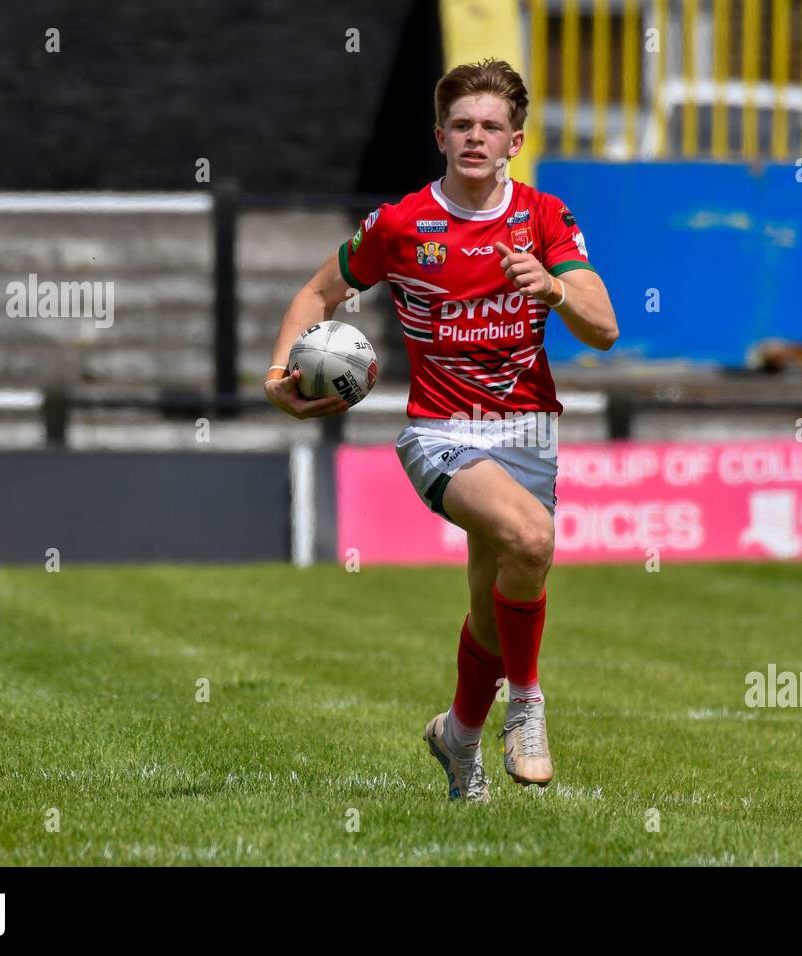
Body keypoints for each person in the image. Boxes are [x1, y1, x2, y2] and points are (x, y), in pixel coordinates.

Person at [264, 58, 618, 802]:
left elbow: (605, 326)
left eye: (491, 126)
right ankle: (526, 705)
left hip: (528, 434)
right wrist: (277, 378)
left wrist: (552, 288)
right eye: (462, 125)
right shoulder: (402, 225)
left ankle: (457, 738)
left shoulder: (544, 218)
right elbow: (317, 292)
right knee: (530, 539)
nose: (475, 138)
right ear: (440, 136)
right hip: (442, 432)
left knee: (493, 609)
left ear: (514, 140)